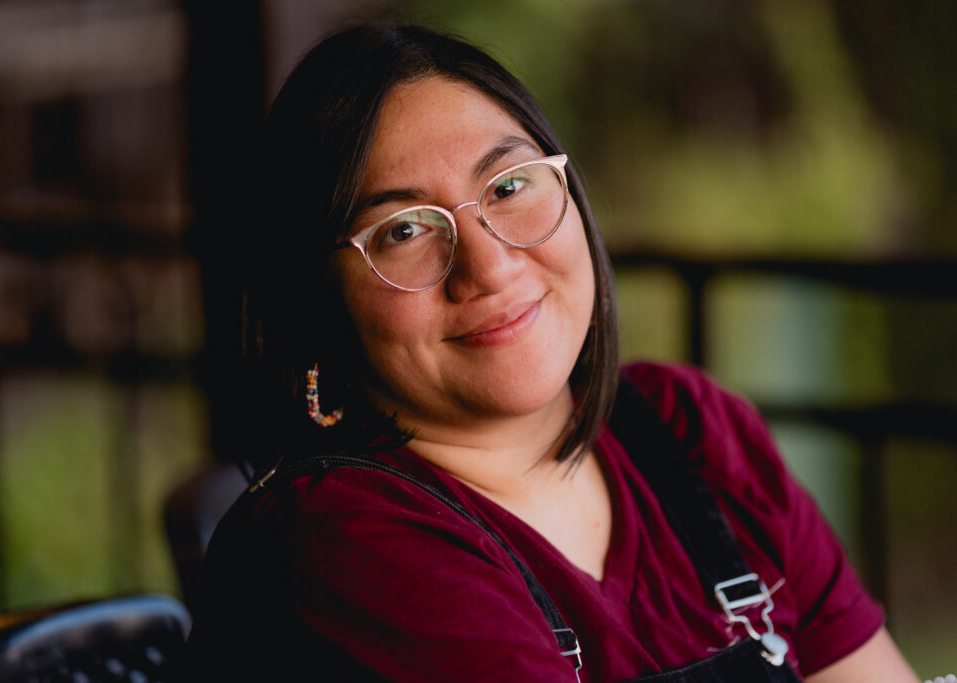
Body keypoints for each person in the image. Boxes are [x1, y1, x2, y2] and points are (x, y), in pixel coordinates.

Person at [184, 21, 918, 682]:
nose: (491, 265)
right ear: (315, 301)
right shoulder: (341, 539)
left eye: (508, 185)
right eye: (403, 230)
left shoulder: (692, 434)